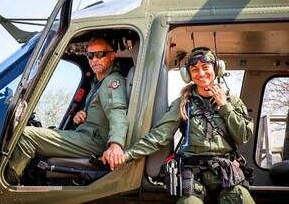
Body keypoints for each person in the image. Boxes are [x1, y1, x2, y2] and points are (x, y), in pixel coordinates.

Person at [104, 47, 255, 203]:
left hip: (225, 174)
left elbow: (242, 137)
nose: (201, 74)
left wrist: (225, 107)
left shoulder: (233, 102)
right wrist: (127, 155)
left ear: (216, 69)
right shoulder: (183, 104)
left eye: (205, 68)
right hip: (193, 174)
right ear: (188, 75)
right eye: (195, 70)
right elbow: (160, 136)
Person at [6, 37, 128, 184]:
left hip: (95, 142)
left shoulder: (112, 81)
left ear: (112, 55)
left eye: (100, 54)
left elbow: (117, 111)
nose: (94, 59)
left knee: (26, 135)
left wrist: (116, 144)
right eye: (90, 55)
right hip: (87, 136)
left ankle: (6, 186)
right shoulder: (97, 83)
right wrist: (81, 118)